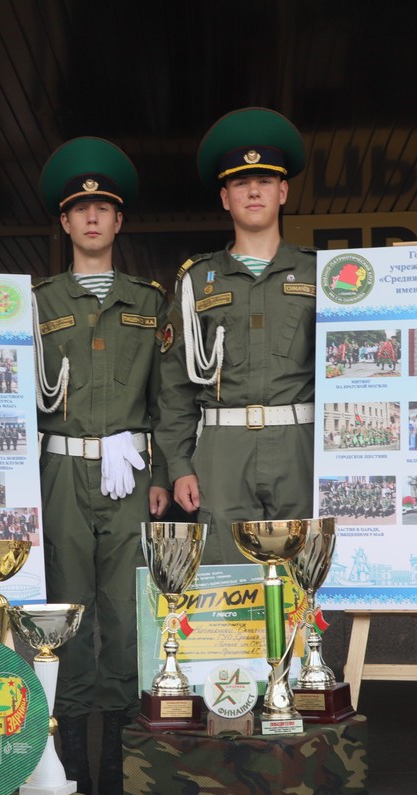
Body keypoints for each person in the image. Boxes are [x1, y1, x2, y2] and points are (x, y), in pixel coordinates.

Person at [32, 137, 169, 795]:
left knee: (126, 610)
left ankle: (116, 757)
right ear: (65, 223)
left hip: (130, 472)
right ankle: (67, 757)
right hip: (59, 471)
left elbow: (168, 397)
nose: (92, 217)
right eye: (80, 209)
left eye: (104, 208)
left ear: (119, 221)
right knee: (64, 612)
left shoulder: (150, 301)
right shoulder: (34, 302)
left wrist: (164, 473)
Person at [160, 107, 316, 566]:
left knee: (303, 578)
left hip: (301, 446)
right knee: (229, 580)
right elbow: (175, 386)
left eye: (265, 181)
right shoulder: (196, 281)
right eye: (241, 183)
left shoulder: (321, 273)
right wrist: (179, 465)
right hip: (223, 451)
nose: (253, 191)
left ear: (282, 192)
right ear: (225, 198)